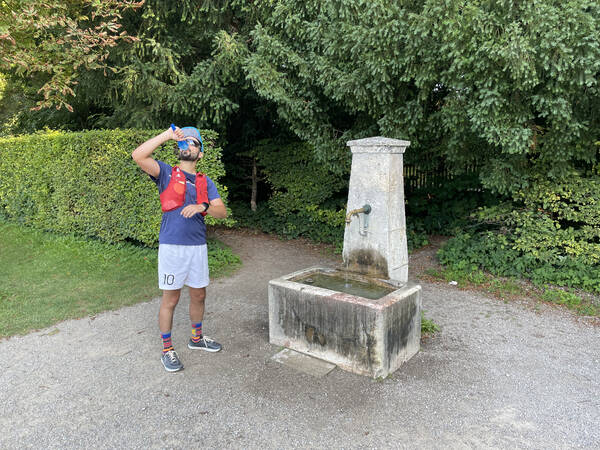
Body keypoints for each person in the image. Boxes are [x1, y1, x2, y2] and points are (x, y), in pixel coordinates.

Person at [132, 125, 228, 372]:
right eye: (185, 143)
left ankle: (196, 339)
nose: (188, 146)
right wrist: (167, 135)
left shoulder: (205, 182)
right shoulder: (165, 172)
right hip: (172, 247)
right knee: (171, 298)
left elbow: (222, 212)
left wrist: (202, 207)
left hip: (197, 248)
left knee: (199, 294)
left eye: (194, 143)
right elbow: (138, 155)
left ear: (201, 154)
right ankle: (167, 350)